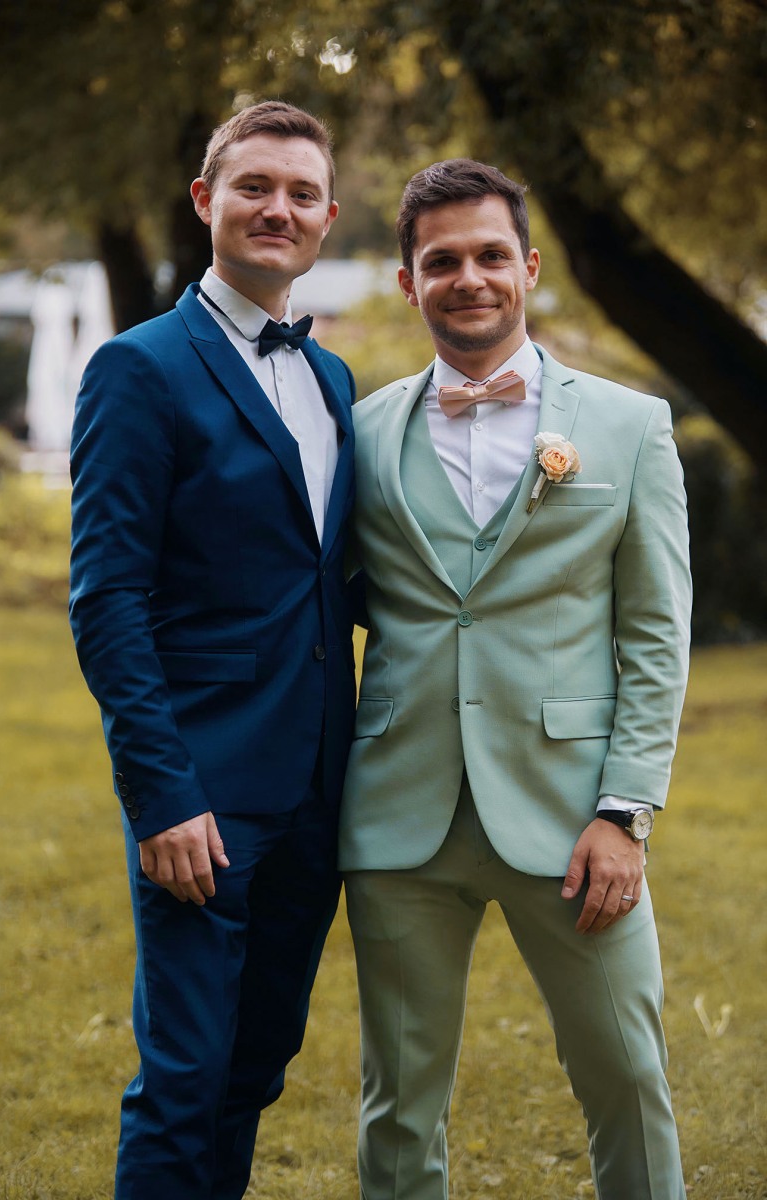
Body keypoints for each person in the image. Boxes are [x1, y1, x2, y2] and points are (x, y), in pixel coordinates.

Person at [340, 159, 691, 1200]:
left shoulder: (630, 426)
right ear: (407, 282)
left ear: (529, 267)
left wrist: (625, 812)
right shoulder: (359, 432)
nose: (469, 278)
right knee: (398, 1106)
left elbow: (655, 634)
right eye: (441, 260)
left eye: (490, 254)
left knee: (627, 1079)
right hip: (398, 816)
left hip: (574, 817)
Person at [69, 101, 357, 1200]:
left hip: (318, 790)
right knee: (185, 1078)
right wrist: (162, 795)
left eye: (300, 193)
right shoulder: (138, 368)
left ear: (327, 217)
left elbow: (329, 578)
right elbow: (107, 600)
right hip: (203, 795)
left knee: (255, 1063)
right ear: (206, 200)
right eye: (254, 186)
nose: (277, 208)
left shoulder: (332, 381)